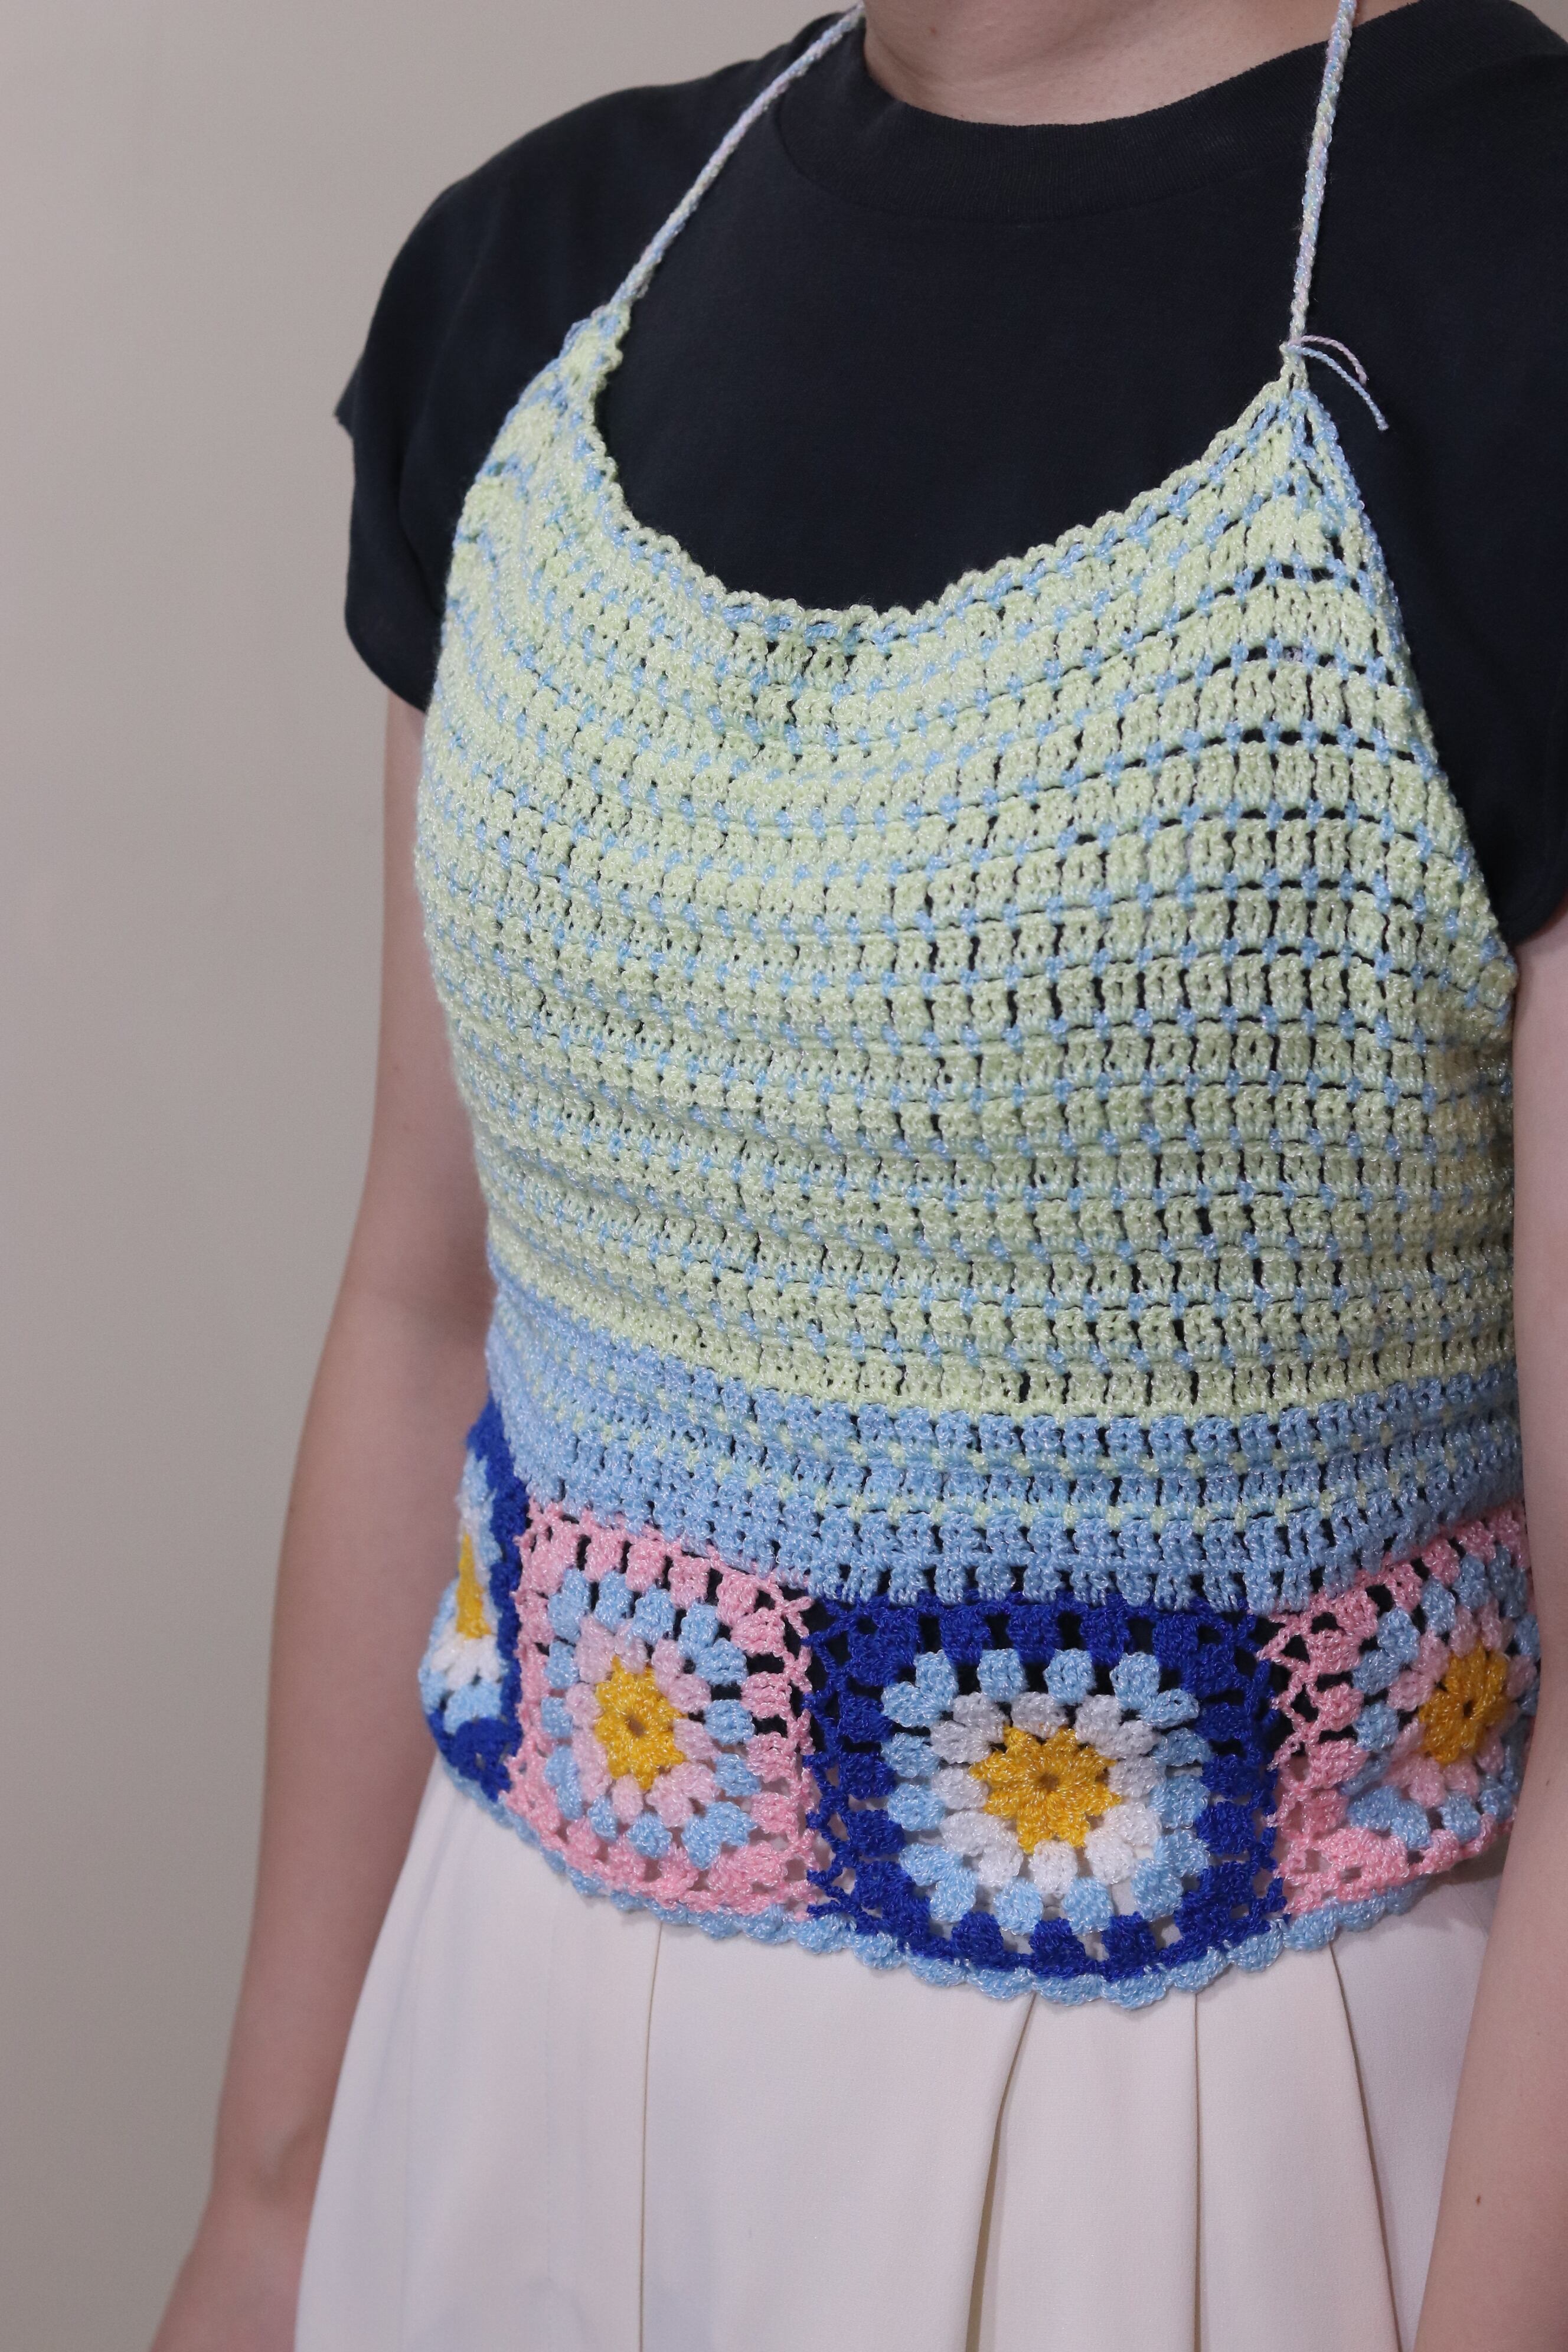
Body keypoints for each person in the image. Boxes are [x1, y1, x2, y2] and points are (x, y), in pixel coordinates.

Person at [151, 2, 1568, 2346]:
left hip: (1212, 2166)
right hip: (488, 2082)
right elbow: (429, 1300)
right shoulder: (542, 277)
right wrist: (275, 2197)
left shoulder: (1509, 299)